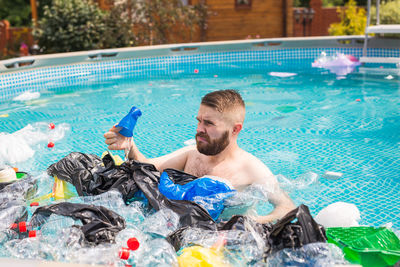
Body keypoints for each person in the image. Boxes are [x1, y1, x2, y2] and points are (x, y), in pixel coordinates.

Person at [104, 89, 295, 224]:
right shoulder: (192, 154)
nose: (199, 130)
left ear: (235, 129)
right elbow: (146, 167)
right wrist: (129, 145)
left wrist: (250, 222)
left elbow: (287, 208)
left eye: (209, 124)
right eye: (199, 121)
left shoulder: (252, 169)